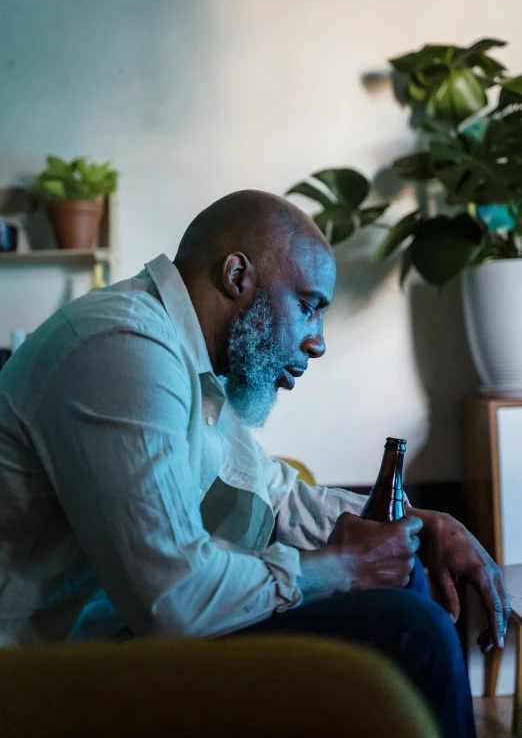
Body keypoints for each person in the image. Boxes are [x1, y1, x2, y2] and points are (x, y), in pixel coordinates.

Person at [0, 190, 509, 736]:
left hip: (119, 643)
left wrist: (422, 521)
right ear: (238, 276)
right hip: (43, 673)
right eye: (309, 306)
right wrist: (339, 565)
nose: (317, 343)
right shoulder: (122, 347)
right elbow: (171, 601)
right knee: (414, 633)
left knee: (401, 585)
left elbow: (282, 498)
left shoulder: (192, 371)